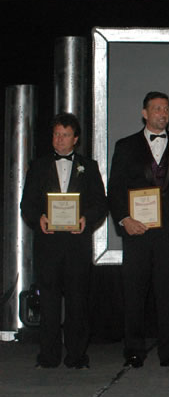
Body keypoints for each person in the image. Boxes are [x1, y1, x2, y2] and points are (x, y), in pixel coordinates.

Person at [108, 91, 169, 368]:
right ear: (144, 114)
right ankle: (133, 350)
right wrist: (124, 218)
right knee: (134, 292)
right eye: (157, 108)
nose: (162, 113)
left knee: (167, 293)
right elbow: (115, 188)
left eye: (166, 109)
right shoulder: (125, 146)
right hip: (137, 230)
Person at [20, 113, 107, 369]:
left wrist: (85, 219)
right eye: (57, 134)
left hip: (76, 245)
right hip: (48, 246)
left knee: (77, 301)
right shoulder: (38, 166)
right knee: (48, 302)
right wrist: (39, 219)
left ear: (75, 139)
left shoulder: (88, 167)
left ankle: (77, 355)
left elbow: (100, 204)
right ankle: (48, 355)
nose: (60, 140)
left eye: (66, 135)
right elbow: (27, 204)